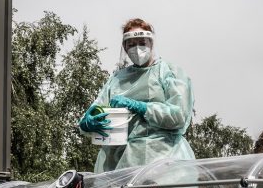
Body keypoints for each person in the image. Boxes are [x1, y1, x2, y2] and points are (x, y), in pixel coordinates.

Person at [78, 18, 195, 172]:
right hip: (120, 164)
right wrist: (86, 123)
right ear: (125, 48)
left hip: (164, 161)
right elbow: (96, 109)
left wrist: (141, 107)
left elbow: (179, 116)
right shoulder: (117, 79)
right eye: (131, 44)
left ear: (151, 43)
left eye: (142, 42)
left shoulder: (169, 72)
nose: (137, 48)